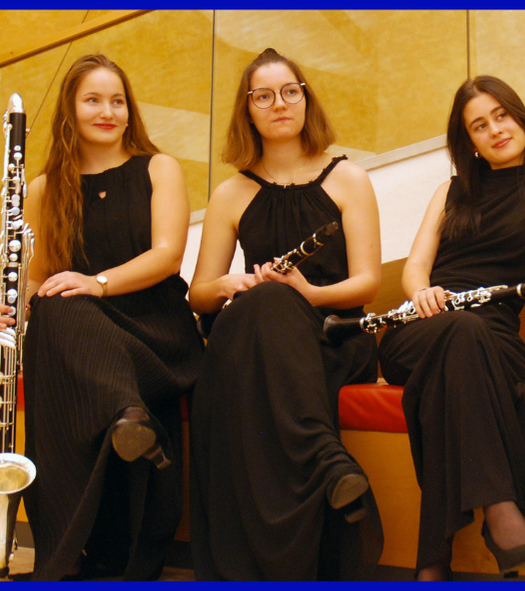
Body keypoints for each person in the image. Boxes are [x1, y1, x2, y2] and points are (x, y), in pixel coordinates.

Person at [0, 54, 203, 581]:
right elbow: (39, 278)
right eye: (93, 100)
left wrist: (96, 282)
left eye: (117, 101)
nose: (108, 112)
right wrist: (10, 307)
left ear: (130, 110)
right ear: (70, 109)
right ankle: (126, 419)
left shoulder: (159, 168)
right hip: (88, 339)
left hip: (155, 334)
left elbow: (168, 256)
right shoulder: (44, 189)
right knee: (52, 309)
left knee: (68, 306)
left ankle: (128, 414)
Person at [376, 75, 525, 581]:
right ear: (468, 141)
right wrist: (422, 292)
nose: (495, 130)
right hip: (422, 327)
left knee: (460, 353)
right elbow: (416, 267)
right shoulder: (450, 192)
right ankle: (500, 511)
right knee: (459, 334)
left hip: (493, 338)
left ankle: (433, 560)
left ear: (522, 119)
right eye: (479, 125)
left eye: (501, 116)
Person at [187, 48, 384, 581]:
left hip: (332, 338)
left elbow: (369, 282)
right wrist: (230, 284)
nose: (279, 103)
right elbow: (199, 296)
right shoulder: (231, 192)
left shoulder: (349, 178)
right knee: (264, 304)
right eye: (264, 96)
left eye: (290, 91)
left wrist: (307, 293)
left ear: (306, 100)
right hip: (257, 344)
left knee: (276, 302)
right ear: (247, 111)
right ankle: (325, 459)